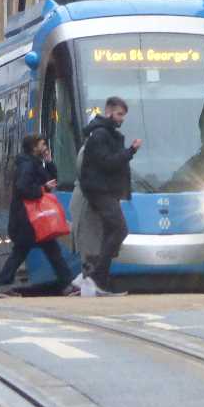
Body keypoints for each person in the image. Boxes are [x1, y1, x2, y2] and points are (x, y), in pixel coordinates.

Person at [77, 96, 141, 296]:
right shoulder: (100, 134)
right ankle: (96, 277)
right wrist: (130, 151)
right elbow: (107, 163)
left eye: (124, 115)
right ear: (109, 112)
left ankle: (99, 281)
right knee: (120, 229)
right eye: (119, 114)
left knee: (109, 232)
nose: (122, 119)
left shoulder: (107, 133)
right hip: (100, 190)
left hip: (106, 190)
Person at [0, 135, 74, 295]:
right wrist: (42, 188)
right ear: (33, 147)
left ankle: (67, 285)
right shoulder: (27, 165)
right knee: (36, 251)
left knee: (41, 251)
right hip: (28, 219)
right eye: (42, 144)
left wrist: (49, 162)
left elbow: (51, 180)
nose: (45, 146)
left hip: (31, 219)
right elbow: (23, 187)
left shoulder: (34, 163)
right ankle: (67, 285)